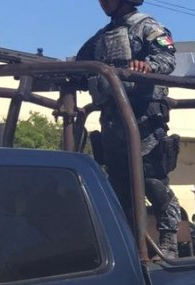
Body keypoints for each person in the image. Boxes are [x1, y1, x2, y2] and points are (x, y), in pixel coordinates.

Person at [77, 0, 182, 257]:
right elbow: (80, 63)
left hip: (145, 119)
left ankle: (168, 241)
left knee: (153, 182)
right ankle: (129, 244)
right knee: (118, 184)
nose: (103, 3)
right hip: (113, 120)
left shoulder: (147, 26)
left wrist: (148, 67)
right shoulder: (102, 37)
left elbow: (167, 59)